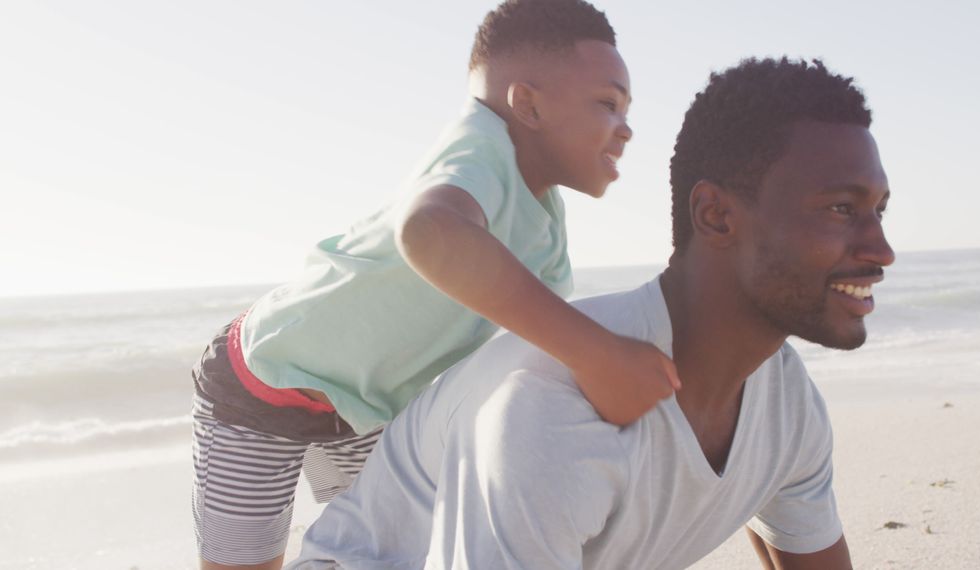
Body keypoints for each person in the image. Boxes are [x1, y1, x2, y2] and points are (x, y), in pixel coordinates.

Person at [287, 57, 895, 570]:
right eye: (842, 209)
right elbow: (430, 229)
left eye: (879, 211)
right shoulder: (547, 414)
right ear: (716, 216)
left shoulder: (786, 406)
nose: (881, 250)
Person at [190, 1, 681, 568]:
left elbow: (533, 350)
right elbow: (430, 230)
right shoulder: (482, 147)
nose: (626, 128)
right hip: (258, 388)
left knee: (390, 553)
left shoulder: (547, 234)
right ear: (527, 104)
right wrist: (600, 353)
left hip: (362, 417)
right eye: (607, 103)